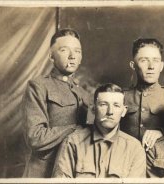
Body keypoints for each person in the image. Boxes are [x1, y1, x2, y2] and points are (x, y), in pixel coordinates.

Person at [22, 28, 89, 177]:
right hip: (44, 172)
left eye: (77, 51)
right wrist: (75, 129)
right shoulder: (38, 86)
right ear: (51, 57)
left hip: (76, 170)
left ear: (81, 57)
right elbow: (35, 137)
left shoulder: (84, 92)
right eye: (64, 50)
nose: (72, 56)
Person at [52, 83, 146, 178]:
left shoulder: (135, 149)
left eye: (116, 105)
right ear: (93, 109)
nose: (110, 112)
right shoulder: (73, 142)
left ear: (124, 111)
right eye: (104, 104)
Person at [120, 38, 164, 152]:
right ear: (133, 65)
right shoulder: (121, 96)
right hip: (127, 161)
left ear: (161, 66)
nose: (151, 66)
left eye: (156, 60)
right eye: (144, 60)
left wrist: (162, 132)